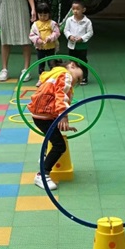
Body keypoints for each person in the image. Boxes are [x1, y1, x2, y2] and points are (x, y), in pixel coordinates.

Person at [27, 60, 83, 190]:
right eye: (79, 77)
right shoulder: (65, 75)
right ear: (73, 65)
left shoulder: (55, 74)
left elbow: (52, 96)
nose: (78, 82)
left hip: (42, 114)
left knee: (54, 138)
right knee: (59, 145)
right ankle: (42, 174)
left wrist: (62, 122)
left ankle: (44, 157)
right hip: (44, 115)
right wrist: (63, 116)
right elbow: (61, 96)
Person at [63, 0, 93, 85]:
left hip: (82, 46)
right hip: (72, 45)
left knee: (83, 62)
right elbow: (66, 30)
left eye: (78, 9)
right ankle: (73, 77)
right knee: (72, 62)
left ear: (83, 10)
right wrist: (69, 36)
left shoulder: (87, 22)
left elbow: (90, 32)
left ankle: (84, 77)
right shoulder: (69, 20)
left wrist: (82, 38)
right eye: (73, 9)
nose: (75, 11)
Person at [29, 1, 60, 84]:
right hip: (40, 48)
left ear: (49, 14)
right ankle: (41, 78)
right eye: (40, 15)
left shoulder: (52, 23)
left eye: (45, 15)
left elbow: (57, 32)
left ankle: (52, 78)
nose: (42, 17)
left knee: (51, 63)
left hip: (51, 47)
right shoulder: (35, 24)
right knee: (41, 63)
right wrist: (37, 40)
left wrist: (50, 38)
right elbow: (31, 35)